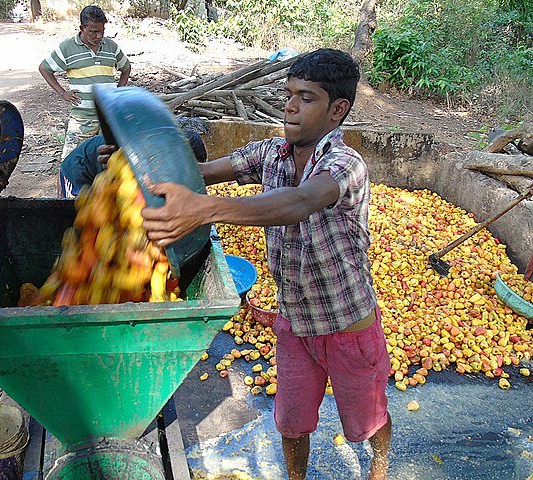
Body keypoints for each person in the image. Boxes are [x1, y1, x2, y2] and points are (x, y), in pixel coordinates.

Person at [139, 49, 392, 480]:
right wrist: (138, 166)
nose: (290, 105)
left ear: (338, 110)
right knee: (291, 421)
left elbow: (300, 201)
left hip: (347, 327)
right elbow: (200, 172)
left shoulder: (346, 165)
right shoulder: (271, 153)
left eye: (306, 98)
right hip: (294, 323)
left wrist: (205, 210)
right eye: (289, 93)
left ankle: (380, 462)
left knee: (364, 423)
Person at [39, 5, 131, 161]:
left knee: (111, 162)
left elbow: (126, 68)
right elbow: (45, 68)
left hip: (109, 117)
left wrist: (119, 91)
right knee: (71, 161)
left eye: (102, 31)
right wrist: (62, 93)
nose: (99, 36)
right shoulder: (67, 48)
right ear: (82, 28)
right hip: (82, 118)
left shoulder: (111, 46)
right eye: (94, 31)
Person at [59, 128, 208, 198]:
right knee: (78, 211)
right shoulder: (140, 156)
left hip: (100, 173)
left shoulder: (162, 157)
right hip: (77, 171)